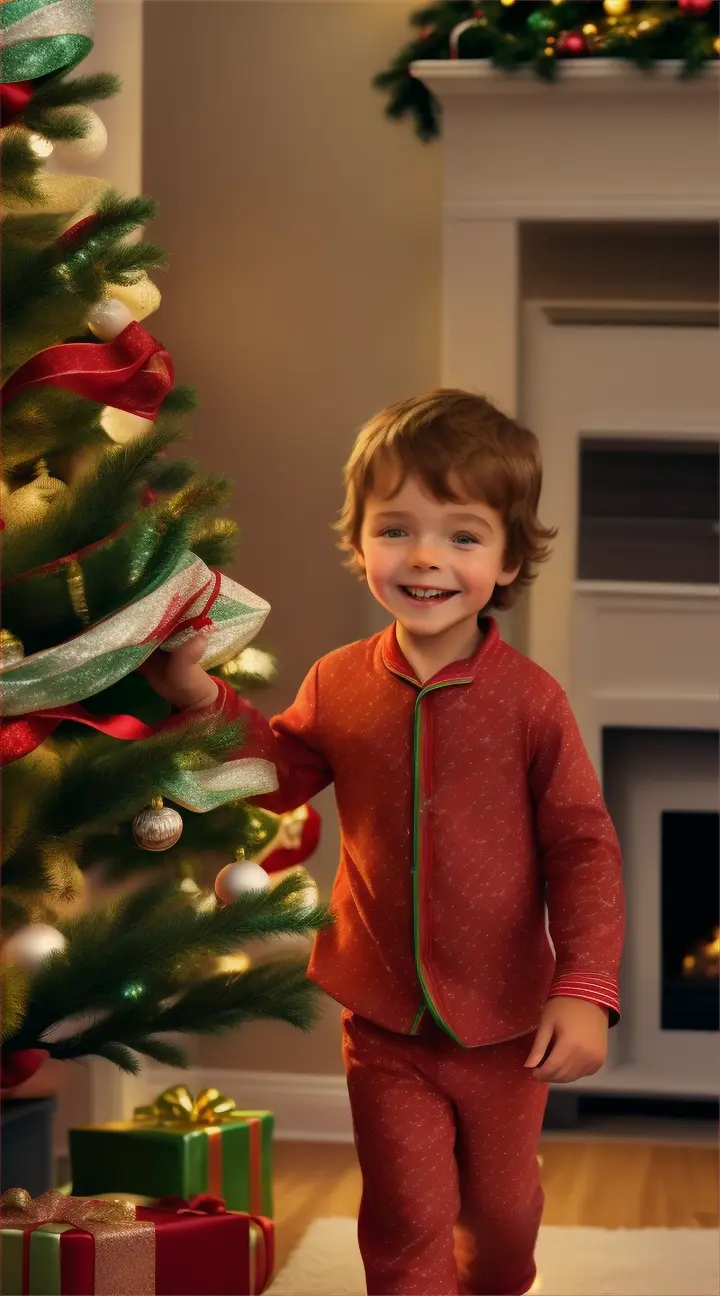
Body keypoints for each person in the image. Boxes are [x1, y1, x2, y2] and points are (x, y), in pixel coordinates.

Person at [145, 389, 625, 1296]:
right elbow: (279, 772)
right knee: (405, 1216)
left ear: (510, 557)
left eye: (462, 536)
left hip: (506, 1026)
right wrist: (204, 702)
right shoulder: (338, 681)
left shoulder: (532, 702)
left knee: (503, 1216)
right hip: (382, 1017)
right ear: (359, 540)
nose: (426, 558)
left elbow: (585, 850)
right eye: (396, 529)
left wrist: (587, 990)